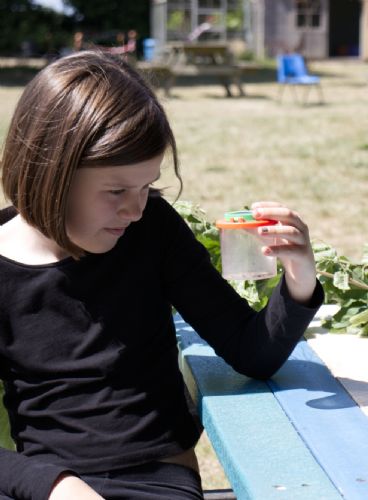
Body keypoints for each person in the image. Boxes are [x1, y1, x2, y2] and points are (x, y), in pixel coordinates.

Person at [0, 51, 323, 499]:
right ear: (49, 175)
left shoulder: (153, 229)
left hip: (155, 480)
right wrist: (56, 485)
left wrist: (299, 280)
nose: (135, 209)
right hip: (44, 486)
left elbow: (251, 352)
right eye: (116, 191)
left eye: (147, 186)